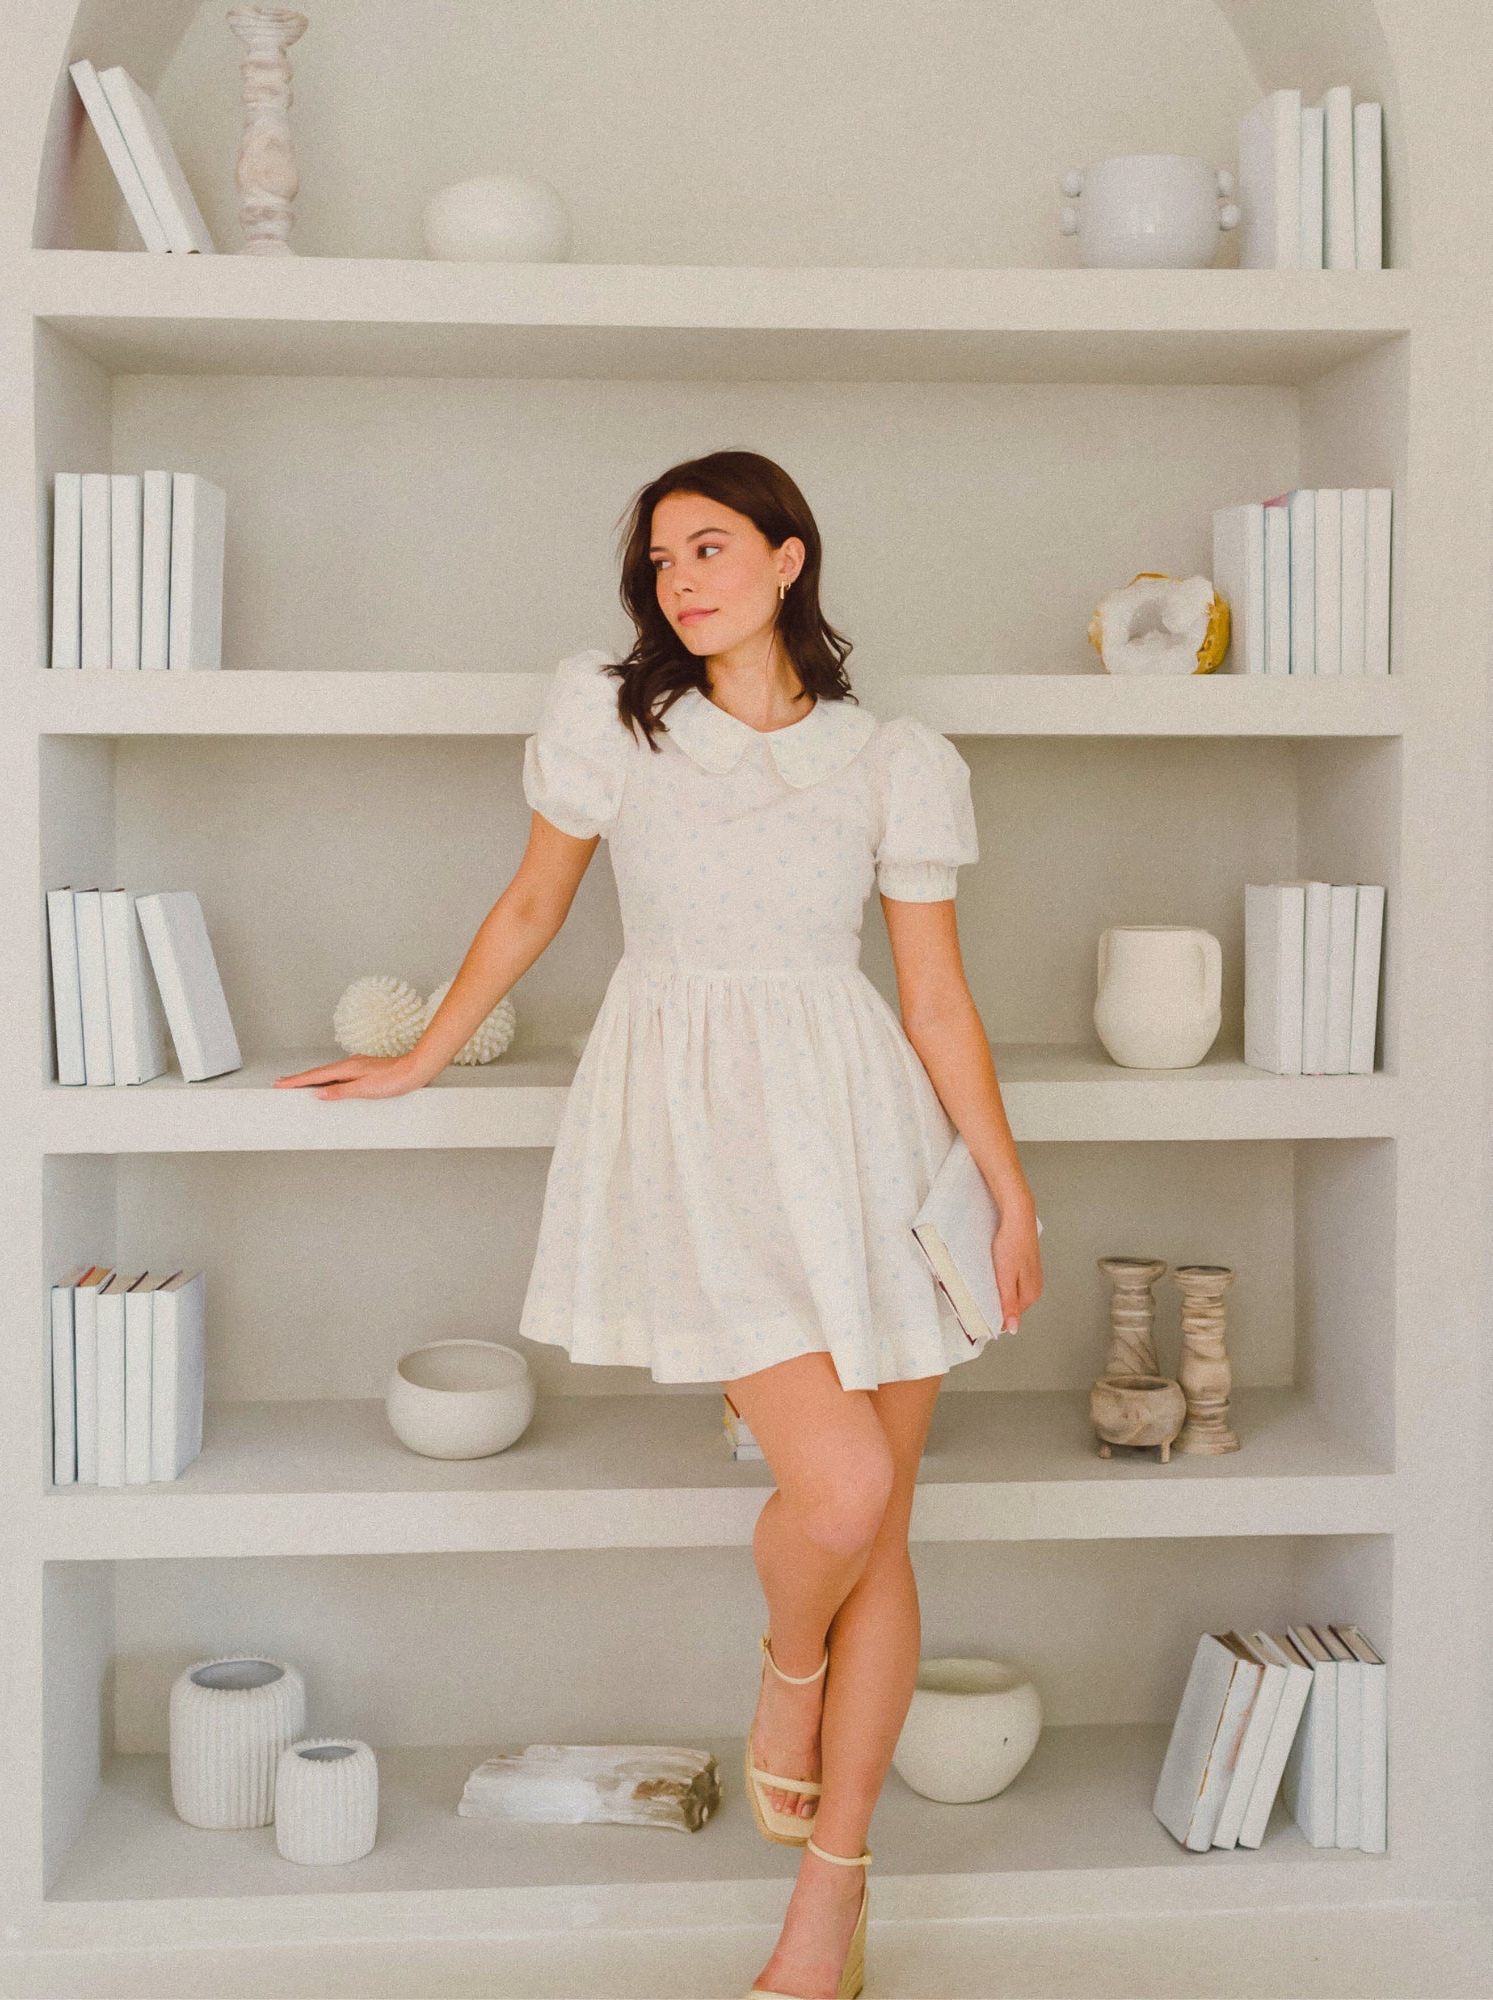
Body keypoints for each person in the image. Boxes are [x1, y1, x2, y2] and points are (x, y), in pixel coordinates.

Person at [275, 447, 1042, 2000]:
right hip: (698, 1133)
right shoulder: (615, 719)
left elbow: (938, 999)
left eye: (706, 549)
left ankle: (830, 1908)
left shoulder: (891, 759)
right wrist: (424, 1050)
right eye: (658, 564)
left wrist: (1010, 1190)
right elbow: (534, 907)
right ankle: (790, 1667)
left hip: (866, 1136)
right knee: (833, 1499)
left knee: (885, 1522)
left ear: (786, 555)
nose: (679, 582)